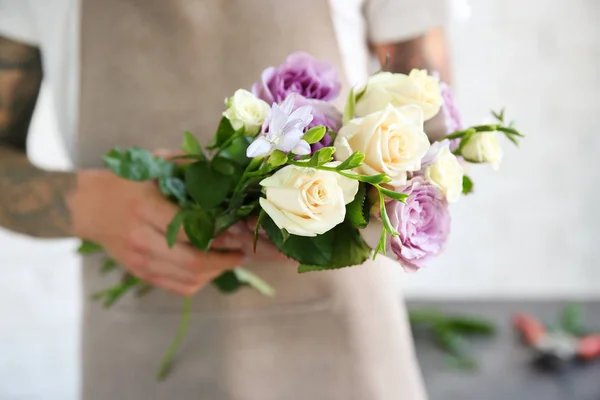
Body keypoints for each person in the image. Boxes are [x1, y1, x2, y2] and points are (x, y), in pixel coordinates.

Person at [0, 0, 451, 399]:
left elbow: (433, 125)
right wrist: (90, 205)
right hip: (140, 350)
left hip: (344, 345)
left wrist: (349, 214)